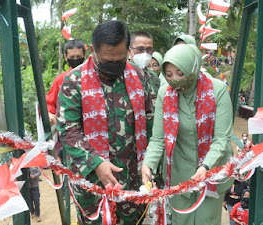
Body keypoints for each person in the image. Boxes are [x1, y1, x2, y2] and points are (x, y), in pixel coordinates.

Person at [57, 20, 155, 225]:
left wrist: (152, 163)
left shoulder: (140, 76)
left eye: (119, 61)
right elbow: (68, 130)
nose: (114, 67)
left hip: (133, 180)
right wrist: (96, 163)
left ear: (127, 51)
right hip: (92, 182)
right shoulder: (73, 81)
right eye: (108, 61)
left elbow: (152, 122)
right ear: (92, 50)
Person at [141, 44, 233, 225]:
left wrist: (205, 167)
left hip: (211, 172)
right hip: (179, 173)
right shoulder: (164, 93)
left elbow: (221, 138)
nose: (174, 79)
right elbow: (158, 138)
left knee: (207, 221)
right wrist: (148, 164)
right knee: (180, 221)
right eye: (169, 74)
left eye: (180, 73)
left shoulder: (217, 90)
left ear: (193, 68)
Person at [46, 39, 86, 127]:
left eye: (78, 56)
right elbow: (49, 103)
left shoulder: (92, 77)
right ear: (65, 57)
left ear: (84, 55)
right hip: (69, 129)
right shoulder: (60, 80)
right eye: (72, 57)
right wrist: (49, 114)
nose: (75, 60)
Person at [128, 31, 160, 107]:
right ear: (129, 51)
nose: (145, 53)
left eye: (149, 49)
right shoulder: (121, 75)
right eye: (140, 49)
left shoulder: (153, 77)